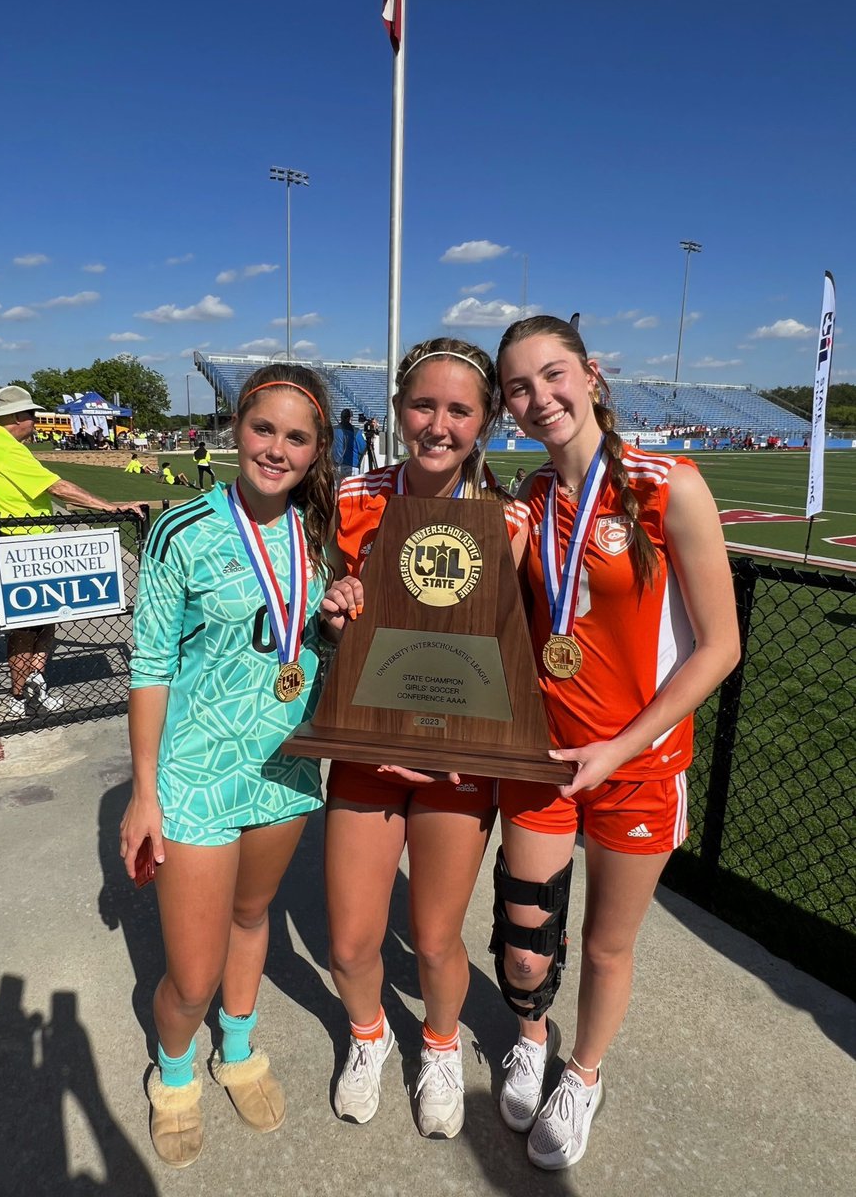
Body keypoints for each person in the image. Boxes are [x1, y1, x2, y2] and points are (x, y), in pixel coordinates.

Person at [490, 316, 739, 1170]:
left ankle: (583, 1075)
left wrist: (622, 747)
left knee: (603, 944)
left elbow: (720, 646)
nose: (538, 398)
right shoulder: (525, 497)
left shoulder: (670, 484)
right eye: (518, 387)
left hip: (639, 767)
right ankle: (531, 1037)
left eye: (552, 375)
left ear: (591, 375)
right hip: (544, 757)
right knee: (527, 936)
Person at [119, 363, 336, 1169]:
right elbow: (148, 666)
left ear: (317, 453)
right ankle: (173, 1073)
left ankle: (235, 1052)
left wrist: (337, 617)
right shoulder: (184, 529)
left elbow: (309, 640)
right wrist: (144, 794)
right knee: (192, 971)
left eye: (296, 437)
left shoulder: (319, 534)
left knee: (255, 919)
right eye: (263, 429)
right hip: (195, 774)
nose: (276, 449)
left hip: (283, 769)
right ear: (236, 428)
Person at [319, 338, 531, 1140]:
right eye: (422, 405)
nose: (437, 424)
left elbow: (510, 650)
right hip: (369, 748)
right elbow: (331, 624)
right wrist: (334, 604)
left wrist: (454, 741)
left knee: (438, 939)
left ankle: (439, 1046)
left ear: (484, 422)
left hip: (457, 761)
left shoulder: (508, 517)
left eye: (458, 410)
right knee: (348, 941)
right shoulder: (354, 496)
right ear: (398, 408)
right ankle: (370, 1037)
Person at [0, 386, 146, 719]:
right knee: (24, 626)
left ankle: (34, 681)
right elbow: (56, 486)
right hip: (15, 545)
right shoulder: (3, 447)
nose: (36, 421)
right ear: (17, 417)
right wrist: (108, 507)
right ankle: (19, 693)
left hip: (24, 545)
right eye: (32, 415)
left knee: (47, 618)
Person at [331, 408, 365, 483]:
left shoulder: (333, 430)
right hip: (352, 466)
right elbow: (363, 449)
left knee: (338, 491)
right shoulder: (356, 432)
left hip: (336, 466)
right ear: (350, 418)